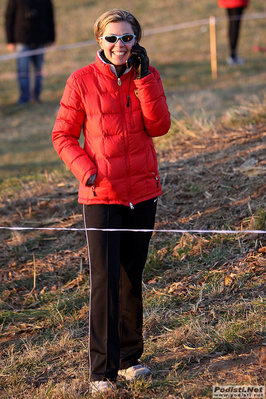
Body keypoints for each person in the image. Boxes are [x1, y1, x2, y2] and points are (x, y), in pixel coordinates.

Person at [52, 8, 171, 396]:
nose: (120, 45)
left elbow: (159, 126)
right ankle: (102, 372)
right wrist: (88, 172)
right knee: (104, 282)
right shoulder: (81, 81)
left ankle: (131, 359)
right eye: (112, 38)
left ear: (137, 41)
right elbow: (63, 135)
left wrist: (145, 80)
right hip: (101, 196)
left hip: (143, 193)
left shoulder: (146, 77)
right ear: (99, 41)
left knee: (130, 279)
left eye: (128, 38)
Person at [5, 0, 55, 104]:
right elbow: (9, 17)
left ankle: (36, 97)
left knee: (38, 69)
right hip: (21, 39)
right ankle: (24, 98)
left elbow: (50, 17)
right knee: (23, 70)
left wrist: (51, 37)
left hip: (40, 38)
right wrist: (10, 40)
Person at [218, 0, 249, 66]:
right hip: (236, 2)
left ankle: (233, 55)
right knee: (234, 25)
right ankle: (232, 56)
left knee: (232, 24)